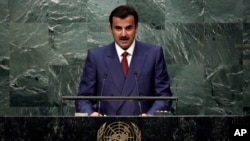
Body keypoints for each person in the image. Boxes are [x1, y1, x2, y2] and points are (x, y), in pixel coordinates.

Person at [75, 5, 172, 116]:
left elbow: (164, 96)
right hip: (107, 129)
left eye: (128, 28)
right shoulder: (96, 57)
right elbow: (83, 99)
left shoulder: (153, 54)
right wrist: (91, 114)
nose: (123, 34)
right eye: (118, 28)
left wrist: (150, 116)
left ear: (136, 28)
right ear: (110, 29)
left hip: (144, 128)